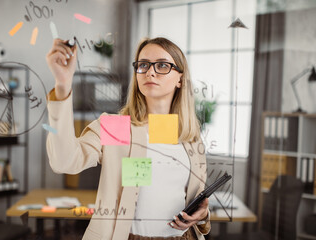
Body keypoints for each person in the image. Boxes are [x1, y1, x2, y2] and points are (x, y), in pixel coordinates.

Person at [46, 37, 210, 240]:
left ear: (180, 79)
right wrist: (62, 86)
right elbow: (64, 162)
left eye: (161, 65)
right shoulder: (119, 127)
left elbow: (194, 201)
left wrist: (202, 214)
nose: (150, 72)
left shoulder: (191, 138)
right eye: (143, 65)